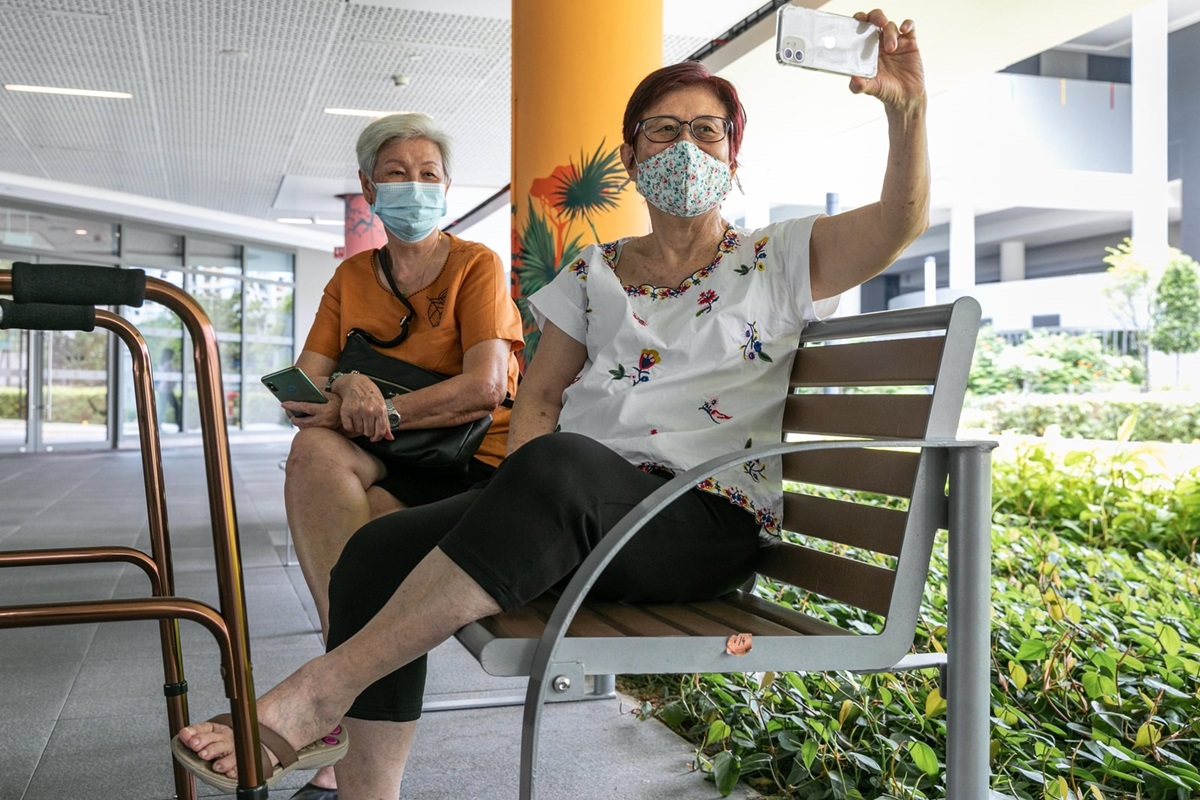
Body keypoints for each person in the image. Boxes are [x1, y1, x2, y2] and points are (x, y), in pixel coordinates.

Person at [174, 10, 927, 797]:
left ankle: (314, 696)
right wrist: (517, 503)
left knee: (564, 462)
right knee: (376, 549)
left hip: (697, 522)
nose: (685, 147)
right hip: (574, 509)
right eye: (663, 130)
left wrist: (905, 111)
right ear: (632, 155)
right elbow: (535, 397)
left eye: (707, 132)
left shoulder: (778, 258)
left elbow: (896, 225)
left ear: (733, 157)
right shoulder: (592, 273)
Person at [276, 112, 524, 798]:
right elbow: (301, 391)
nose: (413, 187)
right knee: (313, 449)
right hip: (389, 456)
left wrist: (379, 407)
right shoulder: (352, 278)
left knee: (372, 550)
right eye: (396, 174)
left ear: (446, 188)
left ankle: (341, 724)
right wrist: (344, 384)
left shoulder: (477, 265)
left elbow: (485, 386)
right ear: (367, 186)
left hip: (470, 459)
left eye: (428, 175)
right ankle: (344, 690)